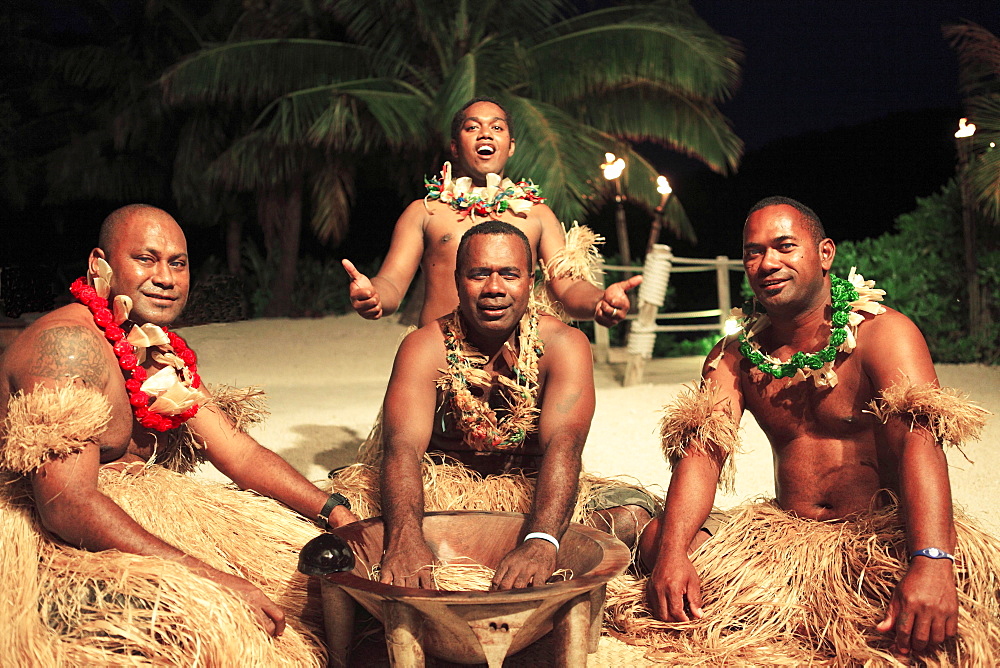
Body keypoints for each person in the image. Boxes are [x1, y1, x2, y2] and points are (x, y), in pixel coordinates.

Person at [632, 196, 996, 663]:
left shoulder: (884, 334)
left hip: (880, 539)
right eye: (753, 251)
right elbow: (702, 456)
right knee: (658, 539)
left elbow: (918, 445)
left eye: (785, 246)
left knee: (942, 615)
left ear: (825, 254)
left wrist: (930, 559)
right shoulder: (735, 356)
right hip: (785, 539)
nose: (768, 263)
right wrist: (673, 553)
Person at [0, 204, 357, 665]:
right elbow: (66, 506)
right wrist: (213, 579)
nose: (166, 278)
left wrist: (335, 512)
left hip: (142, 528)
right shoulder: (68, 348)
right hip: (63, 549)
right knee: (230, 636)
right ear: (99, 265)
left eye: (178, 263)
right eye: (146, 259)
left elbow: (239, 453)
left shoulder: (157, 350)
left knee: (327, 584)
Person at [365, 220, 655, 589]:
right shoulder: (424, 347)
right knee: (352, 524)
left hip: (533, 495)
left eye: (509, 274)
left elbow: (564, 446)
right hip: (443, 501)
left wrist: (542, 541)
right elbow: (402, 449)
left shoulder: (564, 345)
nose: (494, 289)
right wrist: (404, 538)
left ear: (531, 282)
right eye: (479, 274)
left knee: (630, 515)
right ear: (457, 280)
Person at [341, 96, 640, 328]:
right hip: (440, 361)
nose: (485, 133)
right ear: (455, 147)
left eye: (497, 127)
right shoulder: (425, 212)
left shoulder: (536, 215)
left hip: (516, 366)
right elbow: (392, 282)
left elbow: (569, 286)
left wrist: (600, 300)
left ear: (510, 147)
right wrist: (374, 296)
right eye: (472, 127)